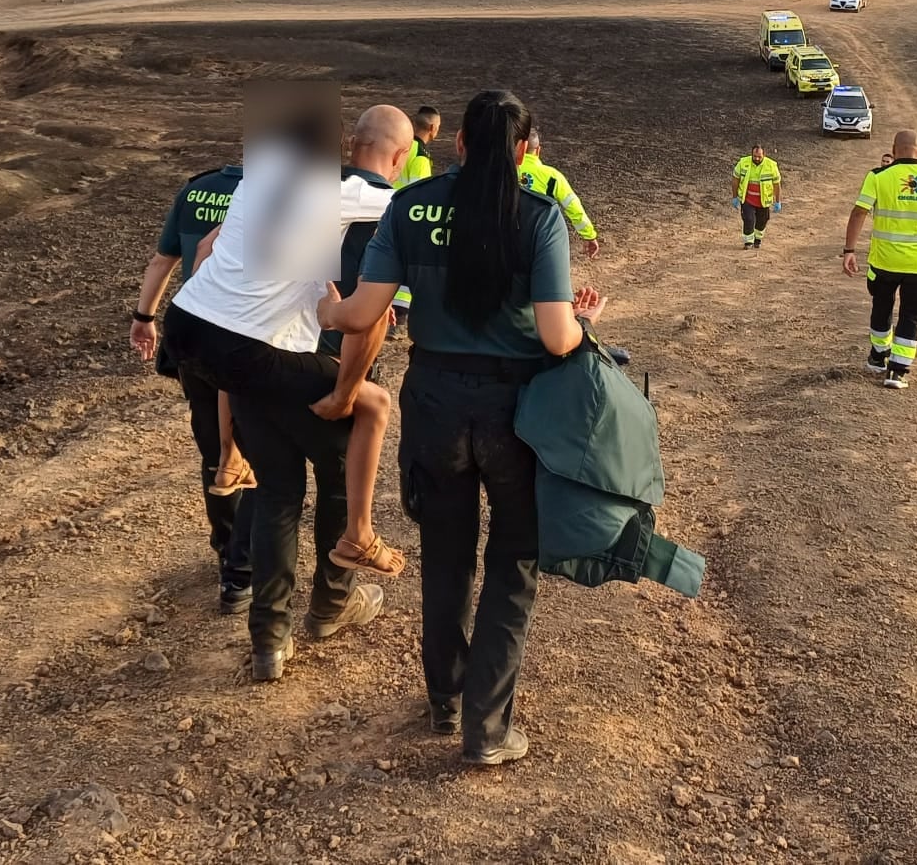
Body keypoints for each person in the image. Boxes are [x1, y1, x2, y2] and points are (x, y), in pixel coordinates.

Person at [320, 89, 604, 767]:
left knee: (446, 557)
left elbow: (362, 315)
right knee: (513, 564)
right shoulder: (538, 218)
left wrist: (328, 310)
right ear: (526, 152)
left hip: (436, 404)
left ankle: (445, 701)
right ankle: (488, 728)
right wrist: (588, 319)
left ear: (460, 145)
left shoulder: (410, 208)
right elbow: (558, 337)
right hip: (518, 415)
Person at [164, 101, 413, 681]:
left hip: (214, 338)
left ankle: (269, 641)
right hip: (277, 355)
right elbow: (377, 296)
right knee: (341, 465)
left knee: (276, 491)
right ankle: (333, 603)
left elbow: (203, 251)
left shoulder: (258, 183)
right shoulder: (360, 199)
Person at [130, 159, 254, 612]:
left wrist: (144, 317)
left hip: (194, 339)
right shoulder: (274, 193)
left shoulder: (197, 189)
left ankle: (227, 550)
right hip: (248, 337)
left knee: (213, 445)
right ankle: (245, 563)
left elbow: (165, 257)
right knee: (254, 444)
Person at [841, 129, 917, 389]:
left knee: (881, 307)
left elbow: (858, 213)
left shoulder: (878, 176)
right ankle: (897, 371)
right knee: (911, 315)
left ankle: (878, 357)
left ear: (894, 150)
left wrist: (849, 251)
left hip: (883, 262)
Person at [388, 106, 444, 335]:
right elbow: (420, 193)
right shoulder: (420, 156)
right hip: (405, 216)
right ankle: (399, 318)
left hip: (383, 211)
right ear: (432, 128)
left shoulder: (398, 147)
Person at [518, 130, 601, 258]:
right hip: (541, 237)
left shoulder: (505, 170)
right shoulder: (553, 176)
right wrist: (589, 235)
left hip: (509, 233)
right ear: (538, 150)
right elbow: (573, 206)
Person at [732, 143, 782, 249]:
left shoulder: (771, 166)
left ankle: (757, 239)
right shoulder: (743, 163)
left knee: (762, 220)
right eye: (755, 156)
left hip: (763, 200)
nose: (757, 158)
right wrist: (735, 197)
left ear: (764, 154)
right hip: (748, 199)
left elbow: (777, 185)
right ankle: (748, 242)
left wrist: (777, 201)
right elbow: (735, 180)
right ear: (751, 154)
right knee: (748, 219)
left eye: (759, 156)